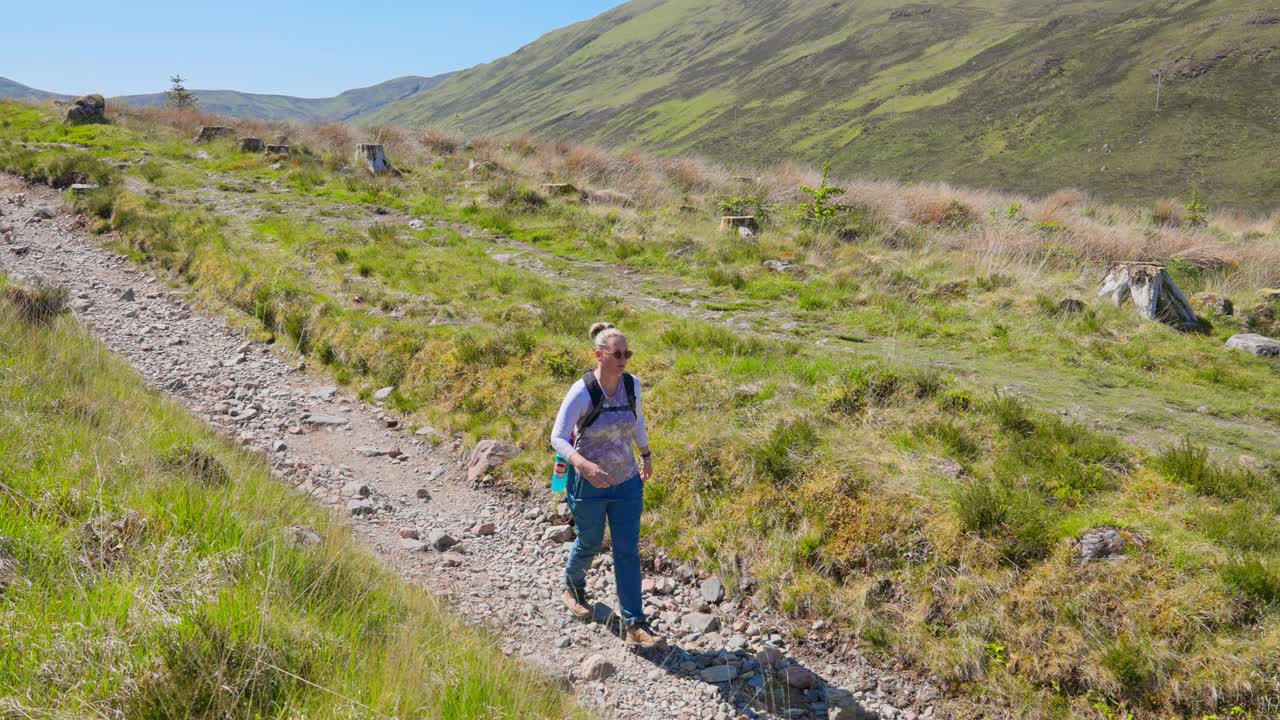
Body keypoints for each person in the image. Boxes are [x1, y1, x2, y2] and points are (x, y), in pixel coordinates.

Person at [550, 321, 662, 648]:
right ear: (599, 355)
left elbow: (637, 421)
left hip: (626, 481)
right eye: (618, 353)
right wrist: (583, 465)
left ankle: (634, 624)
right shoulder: (583, 390)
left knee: (627, 551)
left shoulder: (632, 385)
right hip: (589, 483)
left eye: (628, 352)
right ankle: (573, 586)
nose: (624, 358)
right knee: (590, 540)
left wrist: (646, 454)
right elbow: (557, 436)